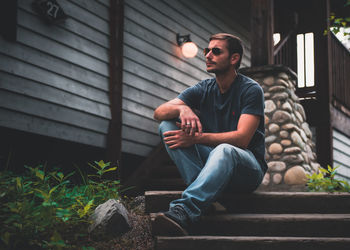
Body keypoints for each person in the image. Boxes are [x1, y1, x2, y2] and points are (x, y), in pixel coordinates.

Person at [152, 33, 268, 236]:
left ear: (234, 58)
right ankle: (206, 199)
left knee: (225, 150)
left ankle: (185, 210)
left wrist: (198, 138)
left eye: (216, 51)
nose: (208, 55)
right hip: (213, 162)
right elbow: (158, 112)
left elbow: (242, 139)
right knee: (167, 125)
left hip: (247, 169)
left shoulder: (251, 90)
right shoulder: (204, 88)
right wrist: (182, 109)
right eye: (207, 50)